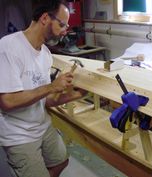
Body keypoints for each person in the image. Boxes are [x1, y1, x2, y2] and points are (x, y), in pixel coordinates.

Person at [0, 0, 87, 177]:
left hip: (42, 125)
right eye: (62, 24)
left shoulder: (46, 54)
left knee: (62, 161)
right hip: (19, 134)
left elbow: (45, 100)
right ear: (45, 18)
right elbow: (7, 102)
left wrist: (75, 95)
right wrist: (52, 86)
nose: (65, 31)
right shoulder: (9, 48)